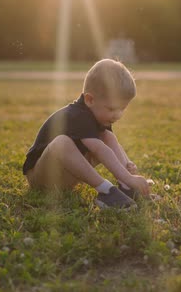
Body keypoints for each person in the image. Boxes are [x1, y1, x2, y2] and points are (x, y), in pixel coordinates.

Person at [22, 59, 151, 209]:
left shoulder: (100, 117)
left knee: (107, 137)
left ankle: (126, 188)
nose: (117, 115)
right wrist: (128, 177)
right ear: (89, 100)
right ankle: (106, 191)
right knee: (62, 142)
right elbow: (99, 150)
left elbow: (109, 146)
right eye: (111, 109)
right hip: (41, 177)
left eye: (122, 109)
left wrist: (126, 166)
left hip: (66, 174)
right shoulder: (78, 115)